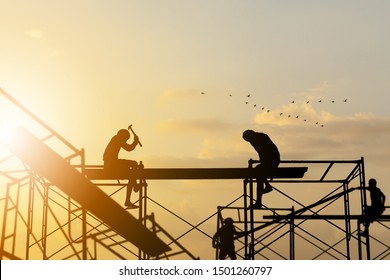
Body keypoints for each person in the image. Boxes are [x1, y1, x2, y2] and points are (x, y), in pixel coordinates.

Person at [103, 128, 141, 209]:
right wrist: (135, 141)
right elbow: (129, 148)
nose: (126, 140)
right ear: (123, 136)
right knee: (134, 164)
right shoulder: (118, 139)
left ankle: (130, 195)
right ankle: (135, 187)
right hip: (112, 164)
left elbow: (128, 147)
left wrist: (135, 142)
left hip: (111, 163)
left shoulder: (116, 138)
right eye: (126, 139)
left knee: (131, 176)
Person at [242, 130, 280, 209]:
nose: (249, 142)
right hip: (272, 160)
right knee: (259, 173)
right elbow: (263, 153)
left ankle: (259, 200)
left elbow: (264, 152)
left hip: (272, 161)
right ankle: (266, 187)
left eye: (248, 140)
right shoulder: (259, 137)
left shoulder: (257, 139)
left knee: (258, 172)